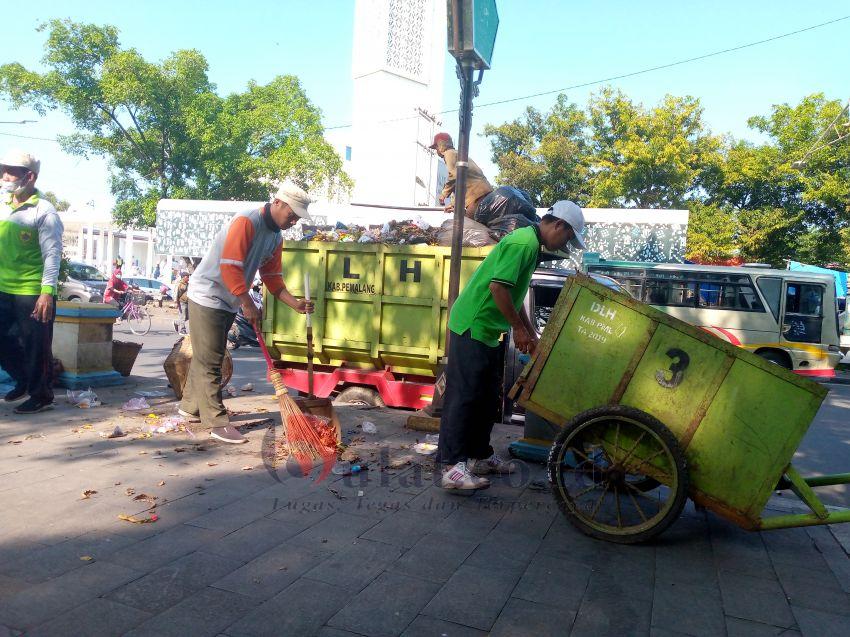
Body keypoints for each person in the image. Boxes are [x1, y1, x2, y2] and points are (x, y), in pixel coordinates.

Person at [437, 200, 587, 489]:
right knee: (465, 396)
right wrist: (519, 330)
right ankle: (452, 467)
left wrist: (530, 333)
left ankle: (479, 456)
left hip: (488, 330)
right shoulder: (523, 244)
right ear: (558, 225)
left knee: (488, 398)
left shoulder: (531, 245)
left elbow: (513, 295)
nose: (566, 243)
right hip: (472, 324)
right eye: (568, 236)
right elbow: (497, 288)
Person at [180, 182, 315, 444]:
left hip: (230, 298)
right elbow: (230, 267)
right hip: (208, 293)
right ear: (278, 203)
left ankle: (189, 406)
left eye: (298, 217)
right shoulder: (246, 221)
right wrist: (247, 303)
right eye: (292, 215)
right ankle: (217, 422)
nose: (294, 221)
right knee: (212, 359)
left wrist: (294, 303)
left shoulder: (276, 237)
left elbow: (272, 277)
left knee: (207, 354)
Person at [0, 150, 64, 414]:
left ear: (30, 176)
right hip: (3, 288)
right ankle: (23, 379)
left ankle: (41, 394)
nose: (5, 175)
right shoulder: (3, 204)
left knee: (37, 346)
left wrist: (46, 293)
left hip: (33, 290)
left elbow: (52, 254)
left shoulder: (44, 211)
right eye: (3, 169)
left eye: (11, 171)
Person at [430, 132, 493, 218]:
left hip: (477, 194)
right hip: (483, 191)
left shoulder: (449, 153)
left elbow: (454, 176)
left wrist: (444, 194)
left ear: (441, 145)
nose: (436, 151)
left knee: (467, 224)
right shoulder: (458, 154)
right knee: (469, 221)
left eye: (436, 147)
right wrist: (453, 204)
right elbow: (461, 185)